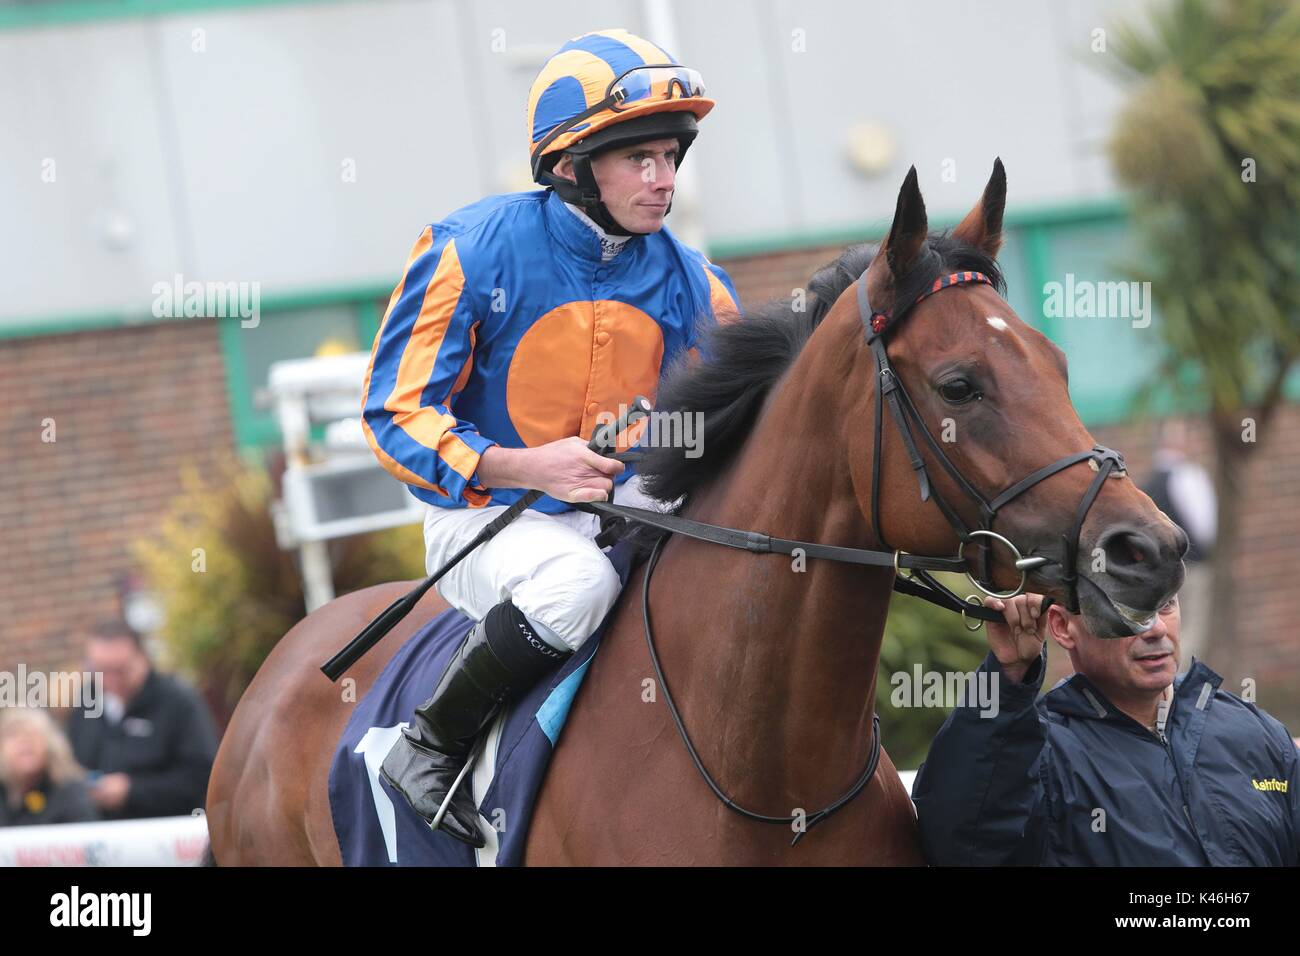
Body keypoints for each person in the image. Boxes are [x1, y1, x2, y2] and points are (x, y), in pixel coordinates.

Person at [362, 28, 740, 847]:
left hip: (631, 507)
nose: (664, 179)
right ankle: (430, 744)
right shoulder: (468, 248)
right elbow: (394, 413)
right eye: (639, 158)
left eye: (671, 156)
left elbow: (736, 431)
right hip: (484, 518)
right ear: (572, 164)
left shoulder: (695, 283)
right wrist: (518, 464)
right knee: (576, 584)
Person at [911, 591, 1299, 865]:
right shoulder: (1035, 752)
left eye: (1164, 604)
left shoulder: (1254, 731)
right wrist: (1005, 678)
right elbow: (961, 847)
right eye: (1125, 610)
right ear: (1062, 627)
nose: (1155, 629)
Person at [64, 619, 219, 819]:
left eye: (121, 670)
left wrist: (133, 791)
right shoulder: (86, 703)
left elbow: (203, 776)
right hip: (103, 835)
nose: (110, 680)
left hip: (171, 833)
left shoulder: (178, 702)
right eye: (100, 670)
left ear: (143, 658)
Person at [1142, 418, 1216, 666]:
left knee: (1163, 624)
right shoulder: (1189, 476)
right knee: (1191, 627)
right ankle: (1182, 682)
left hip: (1156, 571)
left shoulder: (1145, 483)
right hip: (1191, 567)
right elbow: (1204, 528)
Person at [0, 707, 100, 827]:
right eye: (14, 735)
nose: (25, 742)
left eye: (33, 734)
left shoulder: (69, 794)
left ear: (51, 745)